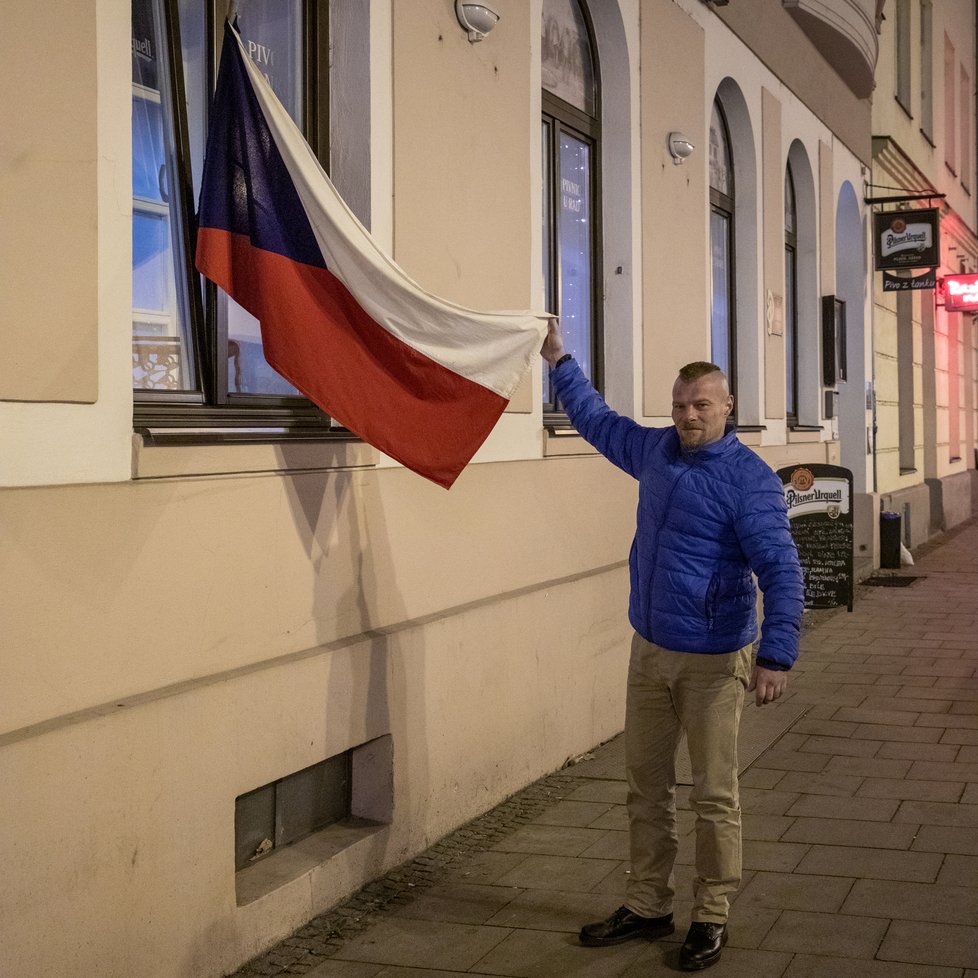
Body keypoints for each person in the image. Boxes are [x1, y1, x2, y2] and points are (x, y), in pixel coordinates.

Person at [541, 318, 803, 972]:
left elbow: (780, 568)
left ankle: (711, 913)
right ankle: (647, 902)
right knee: (645, 786)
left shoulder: (748, 480)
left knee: (713, 795)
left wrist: (776, 654)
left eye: (702, 405)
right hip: (650, 650)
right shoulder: (656, 451)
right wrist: (559, 358)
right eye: (681, 405)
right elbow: (598, 420)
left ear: (728, 407)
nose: (689, 415)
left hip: (716, 660)